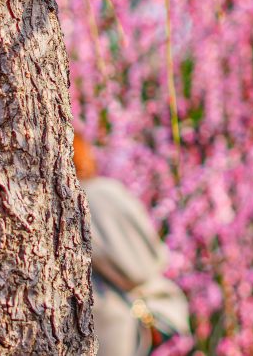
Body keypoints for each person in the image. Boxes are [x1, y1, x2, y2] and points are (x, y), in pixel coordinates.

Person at [74, 134, 190, 355]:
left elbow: (137, 268)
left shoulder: (84, 197)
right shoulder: (100, 193)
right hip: (117, 332)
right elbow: (145, 264)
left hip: (105, 330)